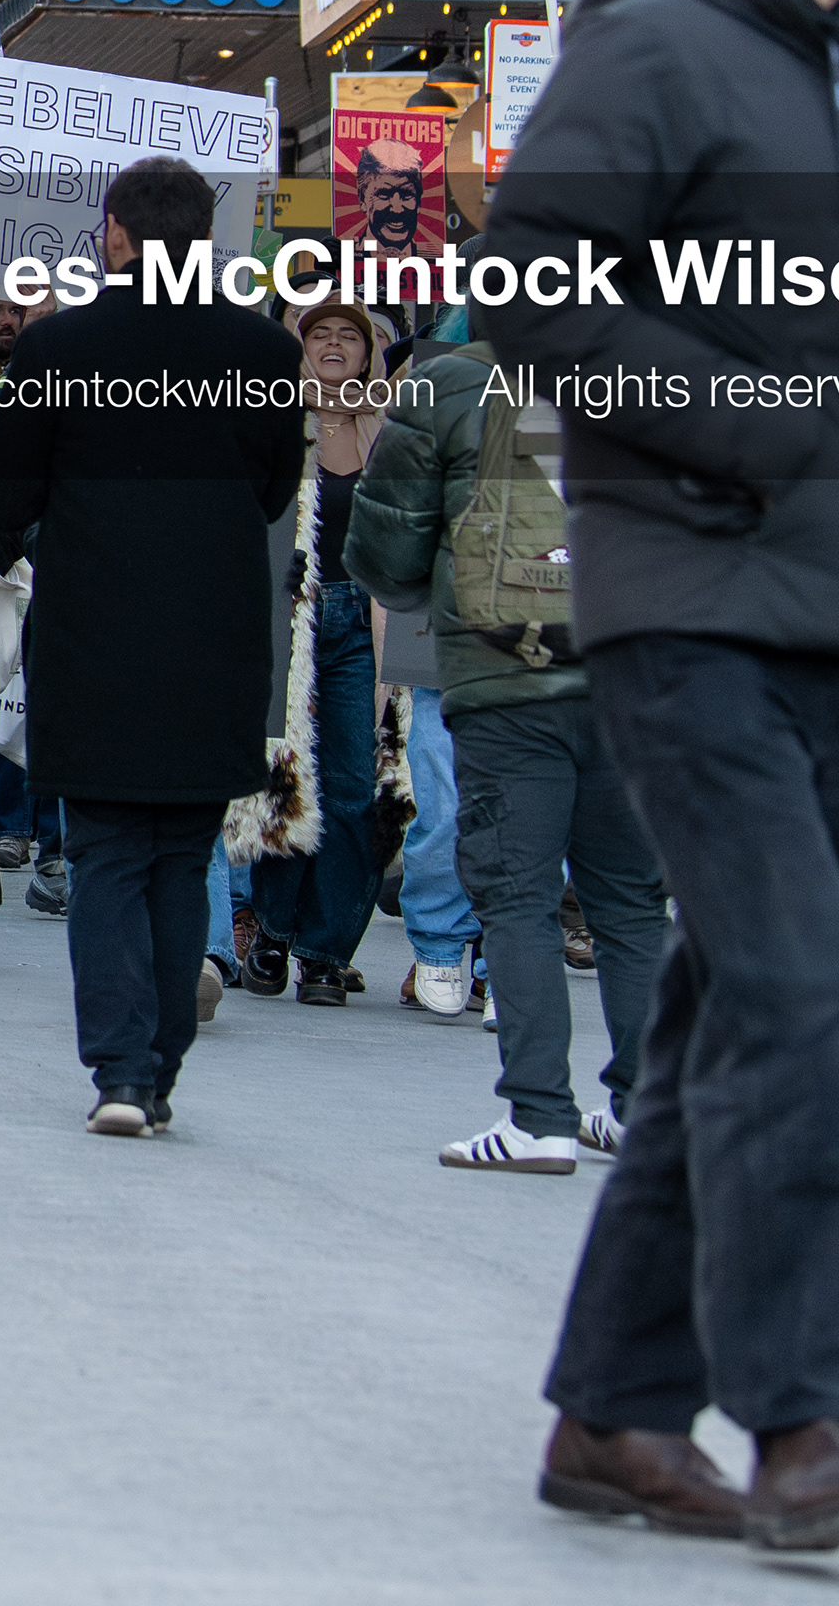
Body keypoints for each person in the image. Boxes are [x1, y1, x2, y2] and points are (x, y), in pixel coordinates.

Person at [473, 0, 839, 1550]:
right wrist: (771, 432)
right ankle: (801, 1427)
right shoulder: (659, 45)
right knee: (807, 1007)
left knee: (719, 1023)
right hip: (702, 607)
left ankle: (611, 1418)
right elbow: (528, 288)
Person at [0, 156, 302, 1140]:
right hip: (218, 634)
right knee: (180, 851)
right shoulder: (260, 351)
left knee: (110, 853)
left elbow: (2, 494)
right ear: (207, 234)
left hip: (93, 630)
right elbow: (273, 489)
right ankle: (158, 1063)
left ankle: (122, 1066)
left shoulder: (58, 348)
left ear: (113, 232)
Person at [343, 322, 666, 1174]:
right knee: (630, 903)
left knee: (516, 898)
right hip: (630, 673)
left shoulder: (446, 387)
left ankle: (540, 1118)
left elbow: (382, 552)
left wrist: (440, 591)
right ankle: (642, 1110)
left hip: (502, 676)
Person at [232, 298, 393, 1008]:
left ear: (367, 353)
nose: (334, 344)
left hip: (365, 621)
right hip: (287, 616)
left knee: (356, 789)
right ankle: (271, 931)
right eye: (319, 332)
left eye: (348, 336)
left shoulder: (391, 429)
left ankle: (327, 951)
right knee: (283, 778)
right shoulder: (274, 415)